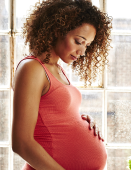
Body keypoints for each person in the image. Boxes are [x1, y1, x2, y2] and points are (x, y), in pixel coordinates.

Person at [12, 0, 112, 169]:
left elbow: (52, 114)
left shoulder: (56, 68)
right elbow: (21, 142)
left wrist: (79, 121)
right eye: (79, 41)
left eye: (87, 45)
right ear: (58, 30)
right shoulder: (32, 68)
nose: (82, 52)